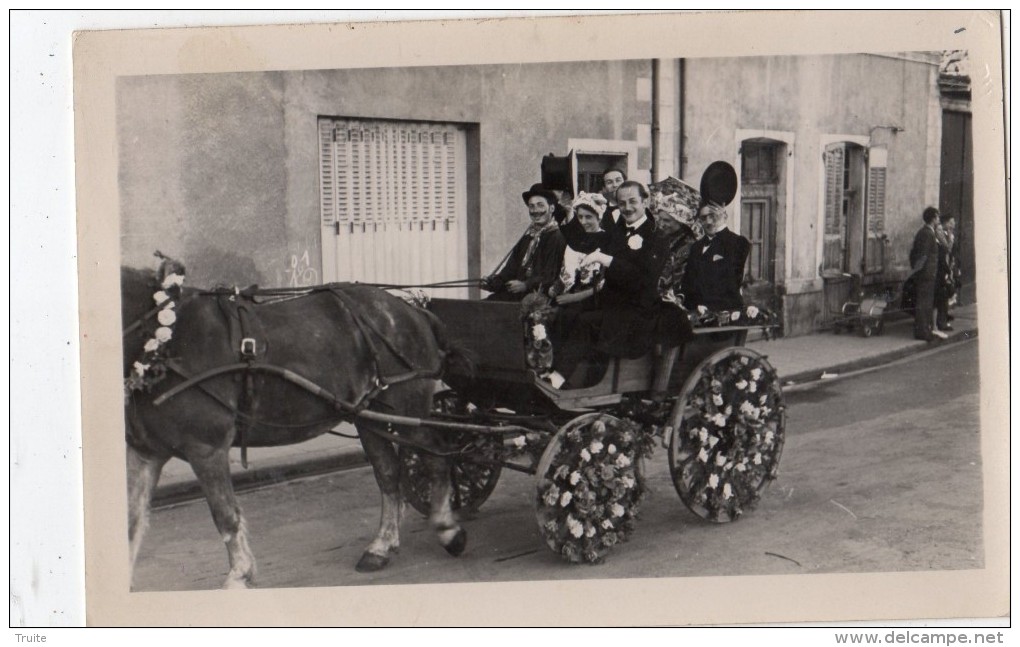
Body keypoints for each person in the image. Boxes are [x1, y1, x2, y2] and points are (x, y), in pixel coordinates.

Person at [552, 181, 690, 387]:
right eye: (622, 203)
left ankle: (559, 378)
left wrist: (607, 260)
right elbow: (581, 241)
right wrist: (566, 213)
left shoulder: (657, 236)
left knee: (586, 322)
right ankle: (567, 379)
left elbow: (643, 279)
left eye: (633, 201)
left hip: (638, 311)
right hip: (611, 304)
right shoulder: (616, 231)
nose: (627, 208)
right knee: (564, 314)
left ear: (645, 201)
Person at [481, 183, 566, 302]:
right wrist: (492, 283)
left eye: (540, 205)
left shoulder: (557, 237)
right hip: (518, 296)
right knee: (482, 307)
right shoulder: (527, 237)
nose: (535, 211)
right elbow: (509, 270)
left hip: (540, 298)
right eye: (531, 206)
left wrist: (526, 285)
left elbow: (550, 276)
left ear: (551, 208)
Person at [680, 202, 751, 311]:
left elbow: (731, 279)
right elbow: (688, 281)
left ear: (724, 216)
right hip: (697, 313)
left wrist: (720, 225)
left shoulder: (738, 242)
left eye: (713, 216)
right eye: (703, 218)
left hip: (726, 313)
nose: (708, 221)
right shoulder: (696, 247)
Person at [548, 192, 610, 299]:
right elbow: (566, 273)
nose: (583, 221)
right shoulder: (576, 240)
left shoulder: (607, 241)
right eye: (580, 217)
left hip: (595, 301)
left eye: (588, 217)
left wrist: (575, 298)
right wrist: (555, 288)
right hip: (567, 298)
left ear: (599, 217)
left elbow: (604, 284)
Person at [908, 206, 946, 341]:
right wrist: (919, 271)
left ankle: (924, 330)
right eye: (937, 217)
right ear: (933, 218)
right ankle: (922, 332)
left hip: (927, 274)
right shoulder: (927, 234)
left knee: (926, 303)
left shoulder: (928, 232)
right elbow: (922, 255)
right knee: (924, 303)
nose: (939, 219)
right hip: (926, 275)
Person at [934, 213, 959, 332]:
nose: (953, 225)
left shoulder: (949, 235)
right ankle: (941, 322)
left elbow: (952, 251)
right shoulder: (939, 235)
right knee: (942, 295)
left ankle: (944, 318)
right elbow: (944, 251)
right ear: (945, 223)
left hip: (947, 267)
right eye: (951, 222)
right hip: (941, 269)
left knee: (947, 294)